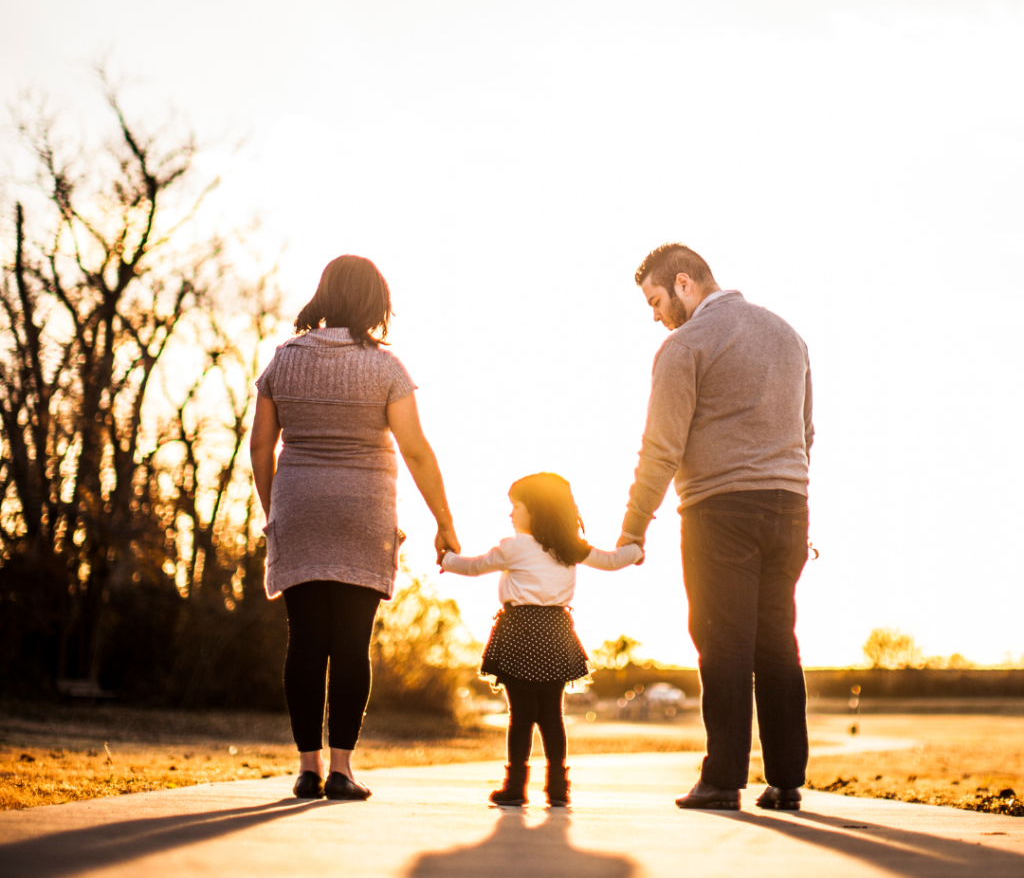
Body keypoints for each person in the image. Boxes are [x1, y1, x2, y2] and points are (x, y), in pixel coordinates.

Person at [250, 254, 460, 801]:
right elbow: (415, 450)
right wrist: (444, 520)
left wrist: (276, 512)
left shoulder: (283, 360)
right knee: (350, 644)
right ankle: (342, 770)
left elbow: (260, 446)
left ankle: (307, 767)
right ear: (374, 302)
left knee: (304, 642)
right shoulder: (387, 367)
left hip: (299, 509)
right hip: (363, 514)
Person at [617, 243, 813, 812]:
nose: (655, 316)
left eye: (655, 301)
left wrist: (633, 530)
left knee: (723, 644)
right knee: (777, 641)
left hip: (719, 511)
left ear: (683, 283)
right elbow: (806, 431)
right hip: (789, 507)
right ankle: (786, 781)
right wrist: (789, 488)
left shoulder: (685, 345)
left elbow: (661, 449)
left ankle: (722, 780)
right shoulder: (788, 335)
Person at [441, 472, 641, 807]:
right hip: (556, 633)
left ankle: (516, 786)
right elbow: (610, 561)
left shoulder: (515, 546)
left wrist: (445, 558)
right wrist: (635, 551)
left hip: (519, 632)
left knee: (520, 715)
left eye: (515, 506)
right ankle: (558, 787)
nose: (510, 514)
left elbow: (474, 567)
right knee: (552, 714)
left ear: (534, 509)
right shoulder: (568, 547)